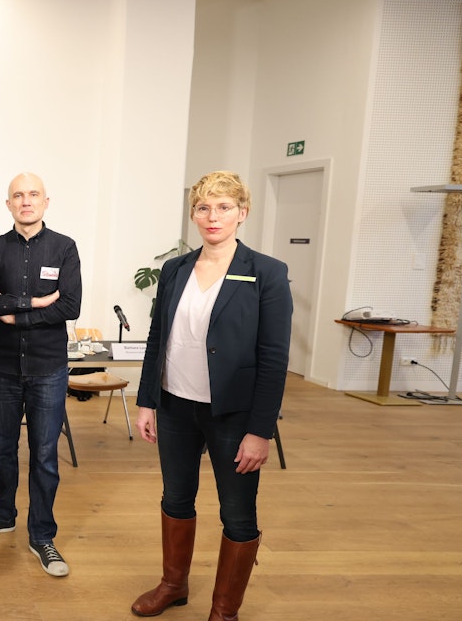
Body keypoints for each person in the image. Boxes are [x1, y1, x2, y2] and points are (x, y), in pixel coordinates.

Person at [130, 171, 291, 620]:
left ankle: (224, 610)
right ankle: (173, 585)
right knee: (175, 498)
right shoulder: (175, 269)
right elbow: (158, 337)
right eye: (203, 208)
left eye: (224, 207)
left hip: (234, 414)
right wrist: (147, 400)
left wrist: (260, 431)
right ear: (194, 215)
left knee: (237, 514)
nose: (213, 216)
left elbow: (274, 358)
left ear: (243, 213)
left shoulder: (266, 273)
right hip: (175, 404)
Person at [0, 172, 81, 578]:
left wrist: (14, 314)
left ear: (46, 202)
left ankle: (42, 535)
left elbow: (70, 305)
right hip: (2, 368)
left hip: (49, 369)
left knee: (45, 455)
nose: (26, 201)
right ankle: (3, 515)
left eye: (33, 194)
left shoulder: (64, 247)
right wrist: (34, 302)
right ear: (9, 204)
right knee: (2, 449)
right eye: (18, 195)